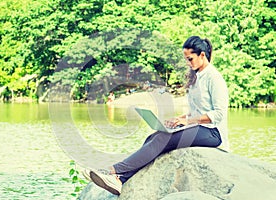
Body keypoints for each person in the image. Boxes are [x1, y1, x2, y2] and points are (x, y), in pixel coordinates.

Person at [83, 36, 229, 195]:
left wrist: (187, 121)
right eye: (186, 59)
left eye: (190, 59)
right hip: (199, 127)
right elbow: (197, 110)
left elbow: (218, 114)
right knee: (154, 137)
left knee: (162, 138)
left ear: (202, 55)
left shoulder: (214, 78)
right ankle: (120, 180)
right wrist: (179, 119)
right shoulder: (196, 78)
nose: (188, 63)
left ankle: (112, 171)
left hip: (213, 133)